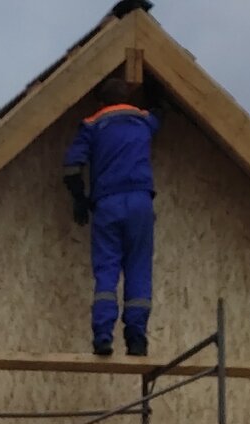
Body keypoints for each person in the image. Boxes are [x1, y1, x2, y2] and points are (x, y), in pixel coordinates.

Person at [62, 78, 160, 356]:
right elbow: (160, 112)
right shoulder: (143, 120)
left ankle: (103, 336)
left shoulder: (92, 125)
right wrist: (157, 93)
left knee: (107, 272)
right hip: (140, 201)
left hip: (108, 204)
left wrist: (79, 199)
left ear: (101, 101)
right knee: (138, 269)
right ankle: (137, 338)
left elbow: (71, 167)